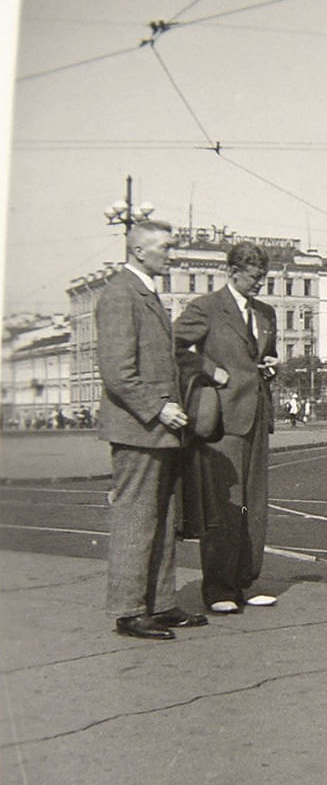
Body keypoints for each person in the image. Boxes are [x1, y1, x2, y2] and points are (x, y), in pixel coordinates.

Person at [95, 219, 207, 640]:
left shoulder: (144, 292)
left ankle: (159, 603)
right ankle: (128, 611)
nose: (172, 254)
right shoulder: (120, 294)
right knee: (135, 519)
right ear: (139, 250)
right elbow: (117, 373)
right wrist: (160, 409)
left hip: (157, 430)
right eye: (166, 247)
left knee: (161, 519)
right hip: (139, 429)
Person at [174, 242, 280, 615]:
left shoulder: (266, 313)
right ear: (233, 272)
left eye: (263, 277)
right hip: (221, 422)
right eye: (253, 277)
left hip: (256, 417)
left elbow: (261, 358)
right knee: (224, 503)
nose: (259, 284)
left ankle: (244, 581)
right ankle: (217, 587)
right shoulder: (207, 307)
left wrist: (270, 366)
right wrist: (209, 370)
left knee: (255, 504)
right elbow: (175, 344)